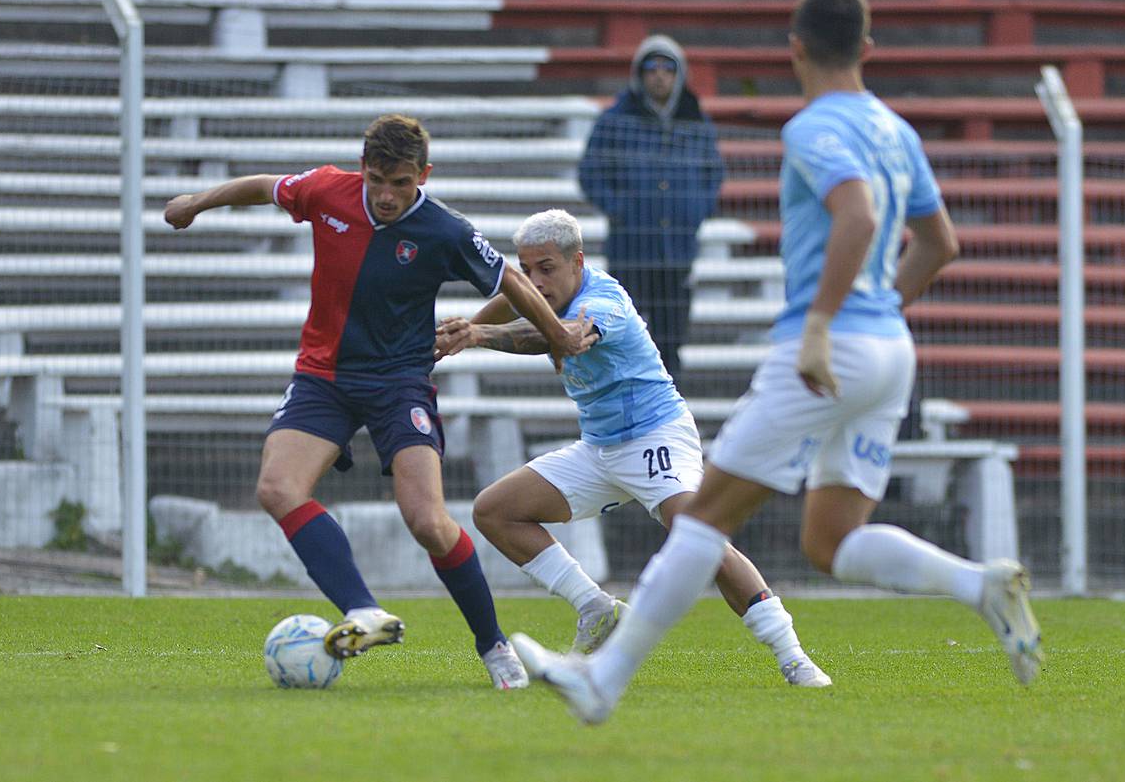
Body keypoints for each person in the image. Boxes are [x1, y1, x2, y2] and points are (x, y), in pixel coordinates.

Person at [512, 0, 1044, 724]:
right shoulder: (897, 129)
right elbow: (940, 242)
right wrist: (876, 312)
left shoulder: (811, 128)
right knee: (831, 540)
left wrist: (827, 322)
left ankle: (602, 682)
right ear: (867, 48)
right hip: (891, 348)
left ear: (794, 49)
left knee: (701, 521)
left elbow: (855, 214)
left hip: (826, 349)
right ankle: (980, 584)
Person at [163, 114, 593, 690]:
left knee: (427, 520)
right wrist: (195, 200)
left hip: (399, 384)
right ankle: (363, 610)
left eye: (402, 183)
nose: (387, 195)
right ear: (361, 168)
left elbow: (510, 282)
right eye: (377, 180)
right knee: (277, 488)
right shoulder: (326, 190)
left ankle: (493, 646)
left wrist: (559, 335)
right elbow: (262, 185)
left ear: (424, 175)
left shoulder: (444, 231)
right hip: (324, 377)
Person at [434, 208, 830, 688]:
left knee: (698, 537)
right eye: (529, 269)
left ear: (577, 262)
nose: (535, 282)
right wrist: (465, 333)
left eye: (547, 269)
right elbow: (510, 296)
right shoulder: (538, 290)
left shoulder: (605, 303)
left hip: (654, 437)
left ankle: (794, 658)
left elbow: (561, 339)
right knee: (495, 511)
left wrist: (479, 335)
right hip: (600, 448)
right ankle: (595, 607)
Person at [578, 34, 725, 380]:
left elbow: (713, 174)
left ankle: (670, 413)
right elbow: (590, 172)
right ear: (638, 74)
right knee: (623, 335)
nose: (659, 75)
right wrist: (619, 209)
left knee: (671, 338)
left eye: (667, 68)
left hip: (677, 250)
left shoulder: (695, 121)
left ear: (679, 74)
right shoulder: (616, 119)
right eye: (651, 67)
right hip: (631, 248)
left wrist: (694, 211)